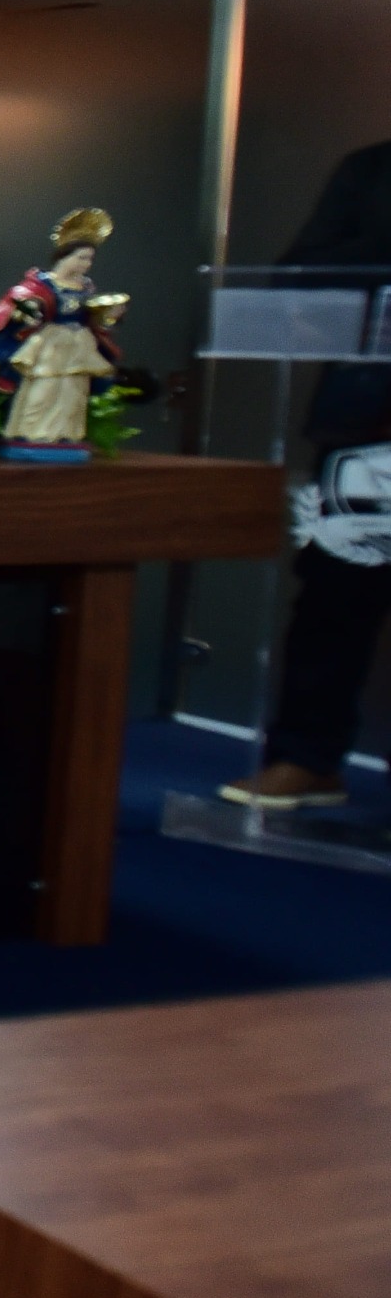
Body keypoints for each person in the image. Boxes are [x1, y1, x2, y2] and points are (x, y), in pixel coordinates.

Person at [227, 138, 391, 807]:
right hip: (369, 426)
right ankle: (307, 759)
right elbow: (297, 276)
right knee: (334, 600)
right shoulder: (373, 168)